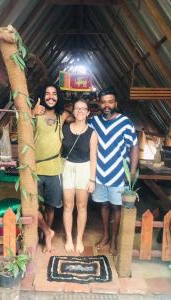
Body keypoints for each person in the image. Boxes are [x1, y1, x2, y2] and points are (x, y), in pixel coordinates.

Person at [89, 87, 139, 255]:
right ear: (99, 103)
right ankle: (105, 236)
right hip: (99, 174)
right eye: (103, 102)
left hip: (118, 174)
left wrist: (131, 172)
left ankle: (115, 239)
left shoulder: (125, 122)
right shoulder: (93, 122)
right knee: (103, 205)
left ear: (115, 103)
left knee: (116, 207)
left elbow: (134, 147)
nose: (107, 105)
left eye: (110, 102)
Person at [32, 84, 70, 251]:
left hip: (54, 170)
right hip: (35, 169)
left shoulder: (63, 116)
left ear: (58, 97)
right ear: (42, 96)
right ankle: (47, 232)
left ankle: (46, 237)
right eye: (47, 94)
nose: (51, 97)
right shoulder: (34, 114)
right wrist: (32, 113)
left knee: (51, 206)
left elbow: (80, 112)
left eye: (54, 94)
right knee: (33, 206)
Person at [62, 99, 98, 254]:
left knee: (82, 206)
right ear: (73, 111)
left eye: (84, 109)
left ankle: (79, 239)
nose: (80, 111)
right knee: (68, 206)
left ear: (88, 112)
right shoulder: (64, 129)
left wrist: (92, 179)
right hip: (67, 168)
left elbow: (93, 156)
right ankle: (69, 238)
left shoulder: (92, 133)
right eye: (77, 108)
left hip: (84, 169)